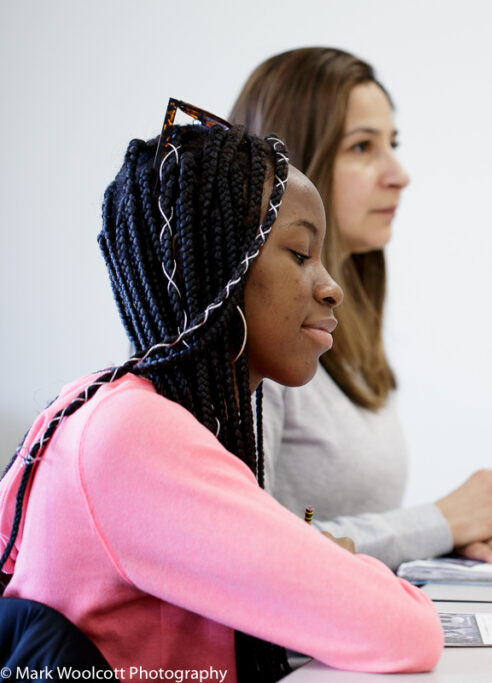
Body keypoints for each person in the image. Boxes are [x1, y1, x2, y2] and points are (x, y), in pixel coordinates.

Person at [0, 112, 442, 682]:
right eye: (301, 256)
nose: (330, 287)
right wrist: (335, 557)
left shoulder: (110, 406)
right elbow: (404, 632)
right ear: (217, 272)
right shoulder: (134, 436)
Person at [229, 47, 492, 568]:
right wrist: (442, 520)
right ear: (292, 170)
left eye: (392, 144)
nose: (398, 174)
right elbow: (249, 549)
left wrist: (441, 538)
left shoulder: (345, 329)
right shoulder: (251, 337)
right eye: (362, 147)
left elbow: (350, 537)